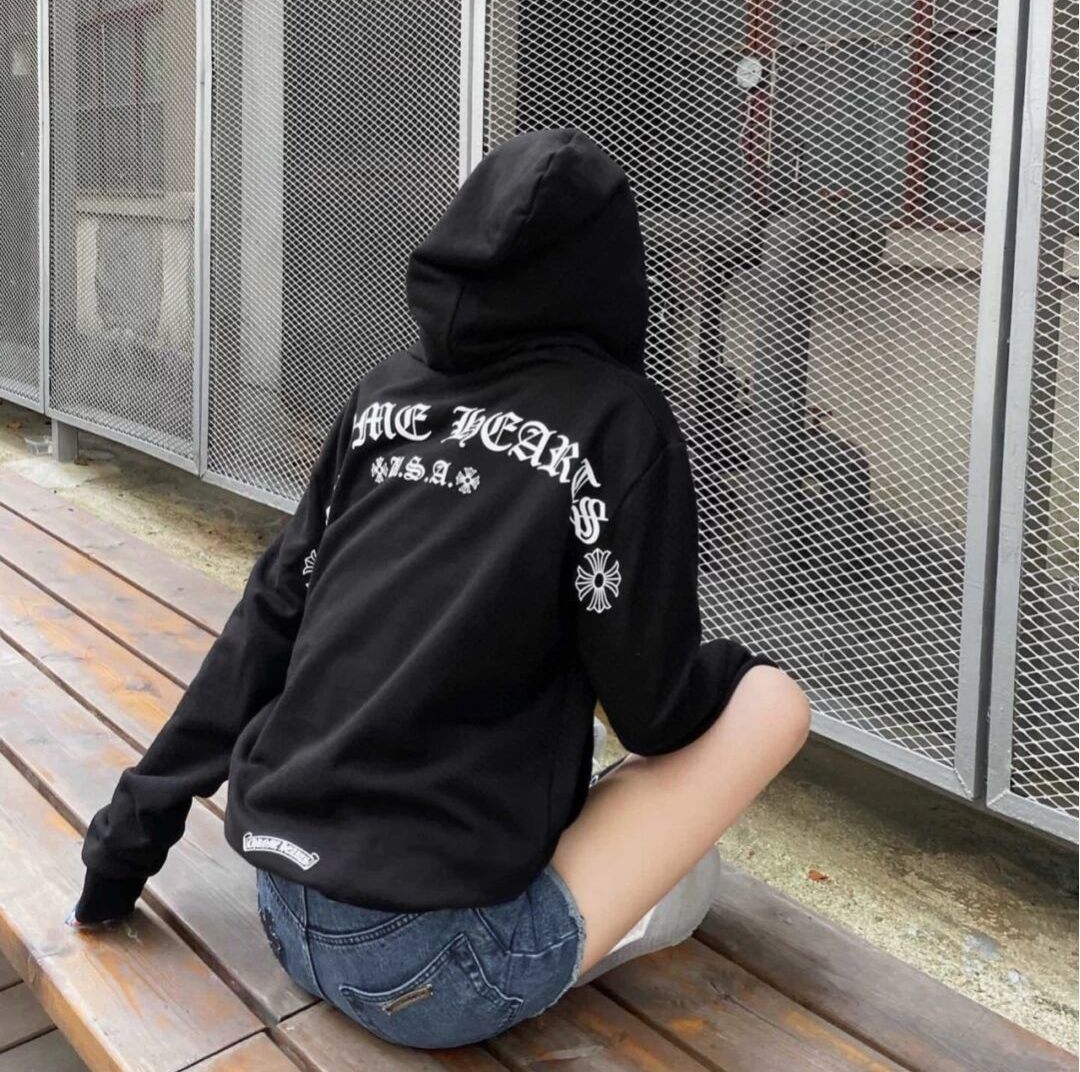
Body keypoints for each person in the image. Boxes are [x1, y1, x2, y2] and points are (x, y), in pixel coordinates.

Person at [67, 127, 811, 1048]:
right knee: (746, 765)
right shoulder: (619, 423)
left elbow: (266, 623)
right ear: (614, 277)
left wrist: (123, 848)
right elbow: (655, 716)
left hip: (283, 905)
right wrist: (732, 671)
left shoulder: (383, 398)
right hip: (433, 972)